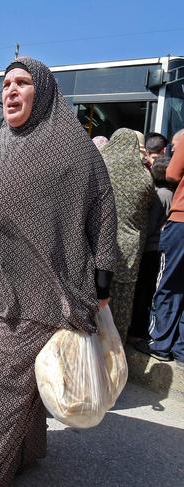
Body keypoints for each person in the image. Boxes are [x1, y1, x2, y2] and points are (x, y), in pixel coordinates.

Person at [0, 57, 117, 486]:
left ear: (44, 90)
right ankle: (21, 454)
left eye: (22, 83)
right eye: (5, 84)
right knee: (20, 384)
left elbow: (103, 212)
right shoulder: (0, 142)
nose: (11, 91)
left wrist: (102, 282)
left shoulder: (70, 147)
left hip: (40, 293)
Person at [100, 128, 156, 342]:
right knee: (121, 307)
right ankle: (116, 354)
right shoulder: (144, 178)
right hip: (130, 250)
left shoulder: (100, 165)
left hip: (99, 245)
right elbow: (149, 205)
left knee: (95, 303)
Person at [135, 128, 184, 364]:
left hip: (181, 222)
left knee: (165, 285)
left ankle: (159, 343)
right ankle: (181, 349)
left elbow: (174, 173)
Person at [129, 156, 175, 340]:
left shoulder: (160, 195)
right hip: (160, 248)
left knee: (144, 291)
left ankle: (138, 330)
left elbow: (150, 224)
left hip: (151, 249)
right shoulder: (171, 194)